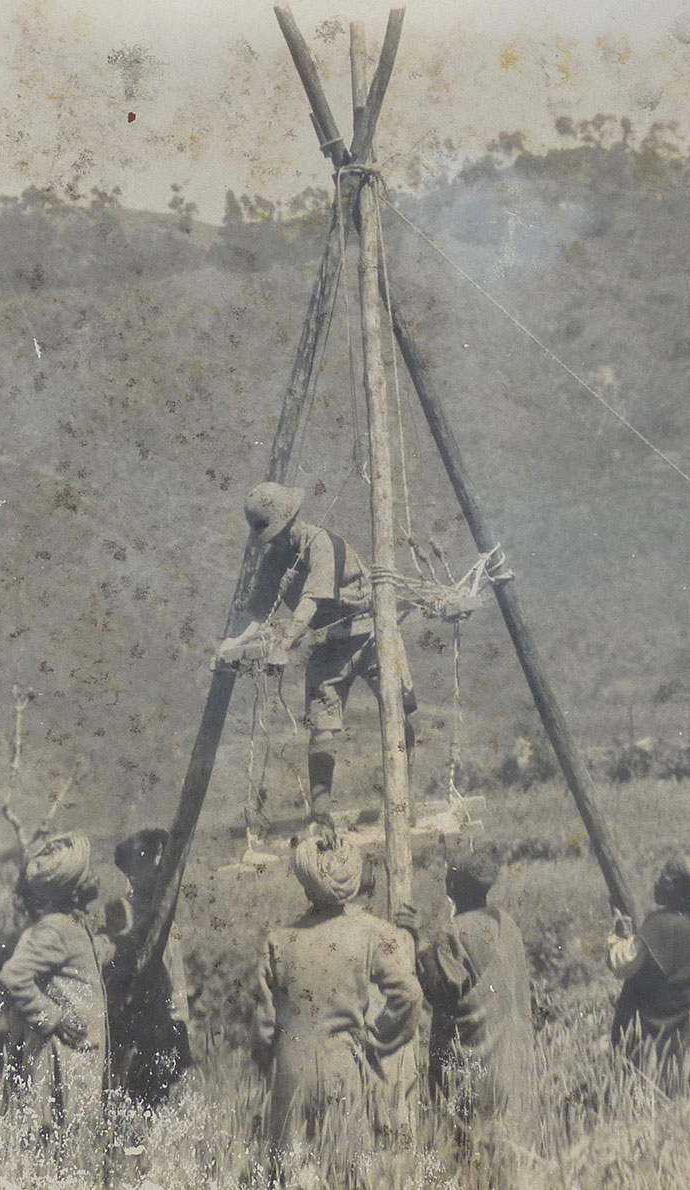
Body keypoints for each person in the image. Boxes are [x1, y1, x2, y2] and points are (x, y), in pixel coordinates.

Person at [216, 482, 418, 823]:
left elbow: (312, 600)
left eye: (279, 534)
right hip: (329, 643)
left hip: (372, 632)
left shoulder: (322, 544)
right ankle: (321, 814)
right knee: (321, 726)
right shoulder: (275, 558)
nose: (276, 542)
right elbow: (257, 610)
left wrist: (286, 639)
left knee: (396, 713)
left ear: (293, 520)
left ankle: (403, 802)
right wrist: (232, 643)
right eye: (270, 538)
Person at [252, 830, 423, 1164]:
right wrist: (378, 1038)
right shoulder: (373, 933)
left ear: (305, 883)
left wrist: (266, 1064)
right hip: (342, 1072)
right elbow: (409, 995)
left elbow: (263, 1028)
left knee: (290, 1172)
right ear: (353, 879)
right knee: (342, 1170)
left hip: (291, 1075)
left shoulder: (279, 940)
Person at [405, 845, 536, 1132]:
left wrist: (419, 942)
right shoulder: (508, 923)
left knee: (470, 1152)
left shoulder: (455, 931)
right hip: (514, 1064)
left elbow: (438, 991)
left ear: (452, 887)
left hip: (478, 1069)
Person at [0, 830, 108, 1160]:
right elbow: (13, 976)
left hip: (81, 1054)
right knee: (68, 1150)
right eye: (86, 870)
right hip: (66, 1057)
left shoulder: (72, 924)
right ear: (72, 888)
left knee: (76, 1147)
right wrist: (53, 1016)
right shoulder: (56, 928)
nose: (95, 875)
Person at [102, 828, 191, 1110]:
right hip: (130, 1023)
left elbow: (176, 979)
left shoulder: (167, 920)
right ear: (133, 870)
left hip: (161, 1022)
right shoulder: (121, 912)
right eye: (151, 863)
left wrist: (181, 1025)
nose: (158, 873)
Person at [606, 852, 690, 1095]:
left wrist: (616, 938)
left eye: (665, 878)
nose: (658, 881)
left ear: (677, 890)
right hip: (675, 1047)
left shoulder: (659, 924)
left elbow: (621, 963)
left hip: (640, 1047)